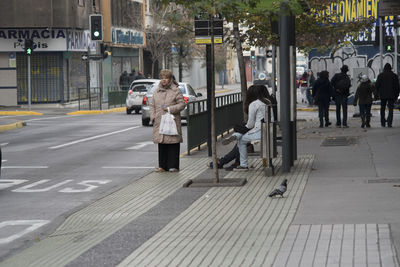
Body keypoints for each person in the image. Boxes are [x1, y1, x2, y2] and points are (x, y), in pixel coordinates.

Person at [221, 85, 271, 171]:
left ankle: (243, 165)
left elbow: (250, 125)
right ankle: (236, 135)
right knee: (242, 133)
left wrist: (244, 127)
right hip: (269, 130)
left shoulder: (254, 104)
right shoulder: (267, 101)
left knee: (241, 140)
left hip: (260, 132)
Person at [150, 69, 186, 172]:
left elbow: (182, 104)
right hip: (159, 120)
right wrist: (153, 117)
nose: (163, 80)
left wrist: (170, 109)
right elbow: (152, 105)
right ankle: (162, 166)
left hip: (172, 121)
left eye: (166, 78)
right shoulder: (157, 91)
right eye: (162, 78)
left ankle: (174, 166)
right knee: (162, 144)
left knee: (173, 143)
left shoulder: (176, 90)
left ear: (170, 79)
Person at [375, 63, 400, 127]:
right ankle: (389, 123)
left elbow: (377, 86)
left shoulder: (380, 75)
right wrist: (396, 95)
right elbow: (397, 87)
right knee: (390, 109)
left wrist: (376, 95)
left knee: (382, 109)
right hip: (391, 95)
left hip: (382, 95)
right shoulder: (394, 76)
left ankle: (383, 122)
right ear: (390, 68)